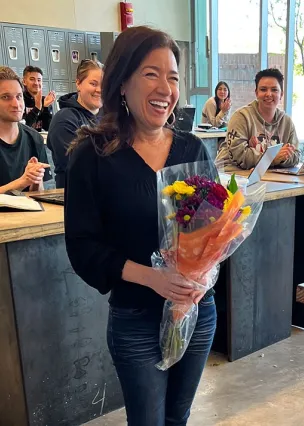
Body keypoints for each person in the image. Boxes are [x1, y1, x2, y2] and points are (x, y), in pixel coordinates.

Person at [64, 26, 216, 425]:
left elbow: (216, 228)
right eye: (151, 74)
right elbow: (83, 248)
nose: (165, 87)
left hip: (198, 311)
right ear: (123, 81)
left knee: (177, 419)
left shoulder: (193, 149)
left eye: (173, 77)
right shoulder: (92, 155)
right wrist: (153, 278)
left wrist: (205, 272)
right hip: (137, 319)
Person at [216, 68, 300, 170]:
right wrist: (271, 158)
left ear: (281, 94)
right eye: (263, 89)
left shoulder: (287, 122)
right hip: (232, 178)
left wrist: (282, 158)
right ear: (256, 93)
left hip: (270, 178)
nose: (268, 94)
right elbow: (238, 156)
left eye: (274, 90)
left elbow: (296, 154)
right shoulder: (241, 117)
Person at [47, 59, 103, 188]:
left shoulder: (108, 118)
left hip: (106, 195)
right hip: (77, 195)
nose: (99, 90)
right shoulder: (65, 120)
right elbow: (77, 165)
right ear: (78, 83)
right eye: (93, 84)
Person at [0, 66, 52, 194]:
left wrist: (35, 180)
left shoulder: (34, 139)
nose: (16, 104)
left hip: (26, 213)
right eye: (6, 97)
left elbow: (37, 194)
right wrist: (22, 181)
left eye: (19, 96)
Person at [22, 66, 56, 131]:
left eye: (39, 80)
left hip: (38, 138)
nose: (36, 83)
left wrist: (46, 107)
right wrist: (37, 108)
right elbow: (22, 127)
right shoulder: (20, 100)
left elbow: (48, 128)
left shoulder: (45, 100)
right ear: (24, 81)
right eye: (32, 79)